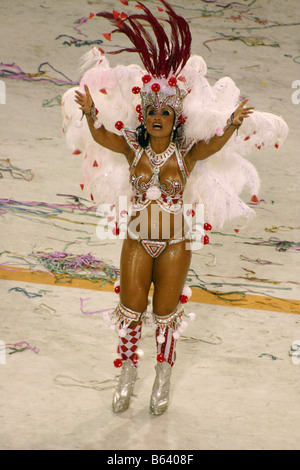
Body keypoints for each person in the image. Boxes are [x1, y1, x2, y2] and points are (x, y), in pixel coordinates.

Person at [63, 0, 288, 415]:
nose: (157, 118)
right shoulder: (132, 149)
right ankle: (127, 374)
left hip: (174, 245)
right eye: (152, 112)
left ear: (175, 118)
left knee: (165, 316)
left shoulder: (186, 153)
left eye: (165, 112)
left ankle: (163, 376)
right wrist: (93, 113)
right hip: (136, 242)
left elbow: (213, 144)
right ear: (144, 117)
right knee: (131, 314)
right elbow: (102, 138)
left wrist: (234, 123)